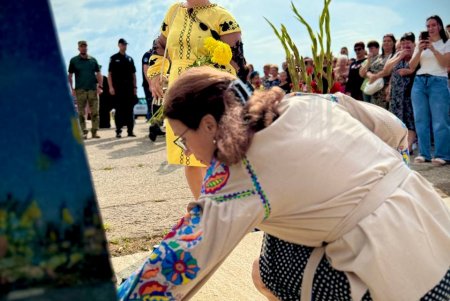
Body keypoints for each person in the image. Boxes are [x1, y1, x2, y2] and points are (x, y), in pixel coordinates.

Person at [117, 67, 450, 301]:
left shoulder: (237, 174)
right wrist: (386, 179)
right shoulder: (304, 102)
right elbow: (392, 126)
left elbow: (178, 260)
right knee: (284, 231)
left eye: (182, 139)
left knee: (270, 265)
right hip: (437, 235)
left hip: (399, 279)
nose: (185, 150)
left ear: (207, 125)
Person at [147, 0, 246, 199]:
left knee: (209, 157)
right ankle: (203, 210)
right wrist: (156, 73)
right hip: (177, 92)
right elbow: (159, 48)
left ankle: (223, 211)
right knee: (188, 158)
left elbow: (236, 62)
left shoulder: (223, 17)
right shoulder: (174, 12)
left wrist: (212, 78)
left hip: (207, 93)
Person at [409, 15, 450, 166]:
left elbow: (446, 63)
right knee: (420, 119)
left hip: (438, 81)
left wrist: (433, 49)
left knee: (440, 120)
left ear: (439, 26)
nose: (430, 28)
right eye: (428, 26)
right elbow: (412, 66)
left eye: (433, 25)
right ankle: (424, 153)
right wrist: (419, 50)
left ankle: (442, 155)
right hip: (419, 82)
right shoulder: (421, 44)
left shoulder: (447, 43)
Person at [68, 40, 103, 139]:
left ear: (87, 47)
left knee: (95, 112)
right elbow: (70, 76)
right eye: (81, 46)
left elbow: (98, 74)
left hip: (93, 89)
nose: (83, 48)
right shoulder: (74, 61)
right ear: (78, 48)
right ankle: (84, 132)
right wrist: (72, 89)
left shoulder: (93, 60)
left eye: (85, 46)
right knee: (81, 113)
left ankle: (95, 132)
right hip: (80, 90)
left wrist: (100, 87)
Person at [108, 38, 137, 138]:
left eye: (126, 45)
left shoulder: (130, 59)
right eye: (123, 44)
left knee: (129, 110)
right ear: (119, 45)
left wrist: (135, 88)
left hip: (129, 88)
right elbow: (110, 74)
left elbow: (134, 75)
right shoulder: (113, 58)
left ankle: (130, 131)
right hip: (118, 89)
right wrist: (111, 87)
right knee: (119, 110)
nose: (125, 46)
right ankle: (118, 131)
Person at [360, 35, 397, 109]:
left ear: (394, 43)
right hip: (374, 91)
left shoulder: (395, 56)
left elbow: (389, 71)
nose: (386, 43)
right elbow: (366, 71)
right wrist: (370, 75)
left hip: (386, 90)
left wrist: (375, 76)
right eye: (384, 41)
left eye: (389, 41)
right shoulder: (378, 57)